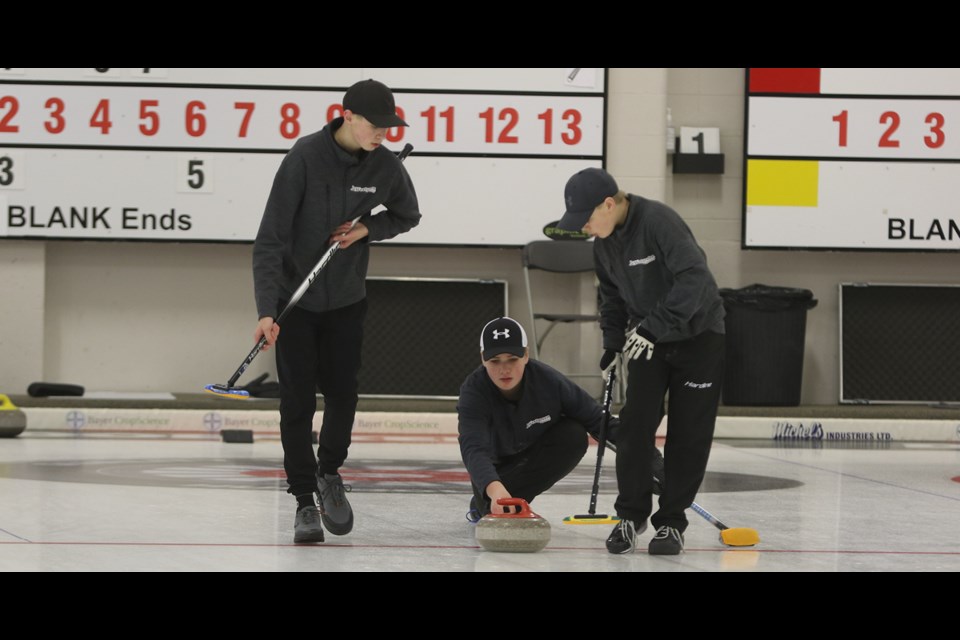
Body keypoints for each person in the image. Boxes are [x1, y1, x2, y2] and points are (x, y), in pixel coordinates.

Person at [252, 79, 421, 543]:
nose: (384, 133)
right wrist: (268, 310)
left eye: (391, 125)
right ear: (346, 115)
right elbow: (269, 240)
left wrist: (366, 228)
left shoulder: (387, 166)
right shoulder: (304, 158)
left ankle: (329, 473)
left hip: (347, 301)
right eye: (375, 124)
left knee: (343, 393)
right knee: (298, 401)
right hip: (296, 304)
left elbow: (408, 215)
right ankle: (305, 499)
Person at [556, 168, 725, 556]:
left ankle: (671, 524)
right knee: (634, 427)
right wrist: (612, 345)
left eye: (587, 218)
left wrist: (654, 327)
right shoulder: (603, 245)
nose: (584, 228)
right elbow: (612, 299)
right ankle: (630, 516)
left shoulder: (658, 222)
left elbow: (695, 280)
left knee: (689, 434)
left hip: (699, 338)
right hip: (648, 342)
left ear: (609, 204)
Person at [457, 316, 664, 521]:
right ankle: (489, 502)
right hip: (492, 470)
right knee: (489, 495)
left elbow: (599, 421)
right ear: (483, 358)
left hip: (532, 457)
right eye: (495, 361)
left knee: (573, 435)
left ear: (526, 355)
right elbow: (474, 448)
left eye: (512, 359)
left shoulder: (549, 382)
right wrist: (494, 490)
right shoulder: (473, 392)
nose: (505, 369)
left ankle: (507, 500)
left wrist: (649, 459)